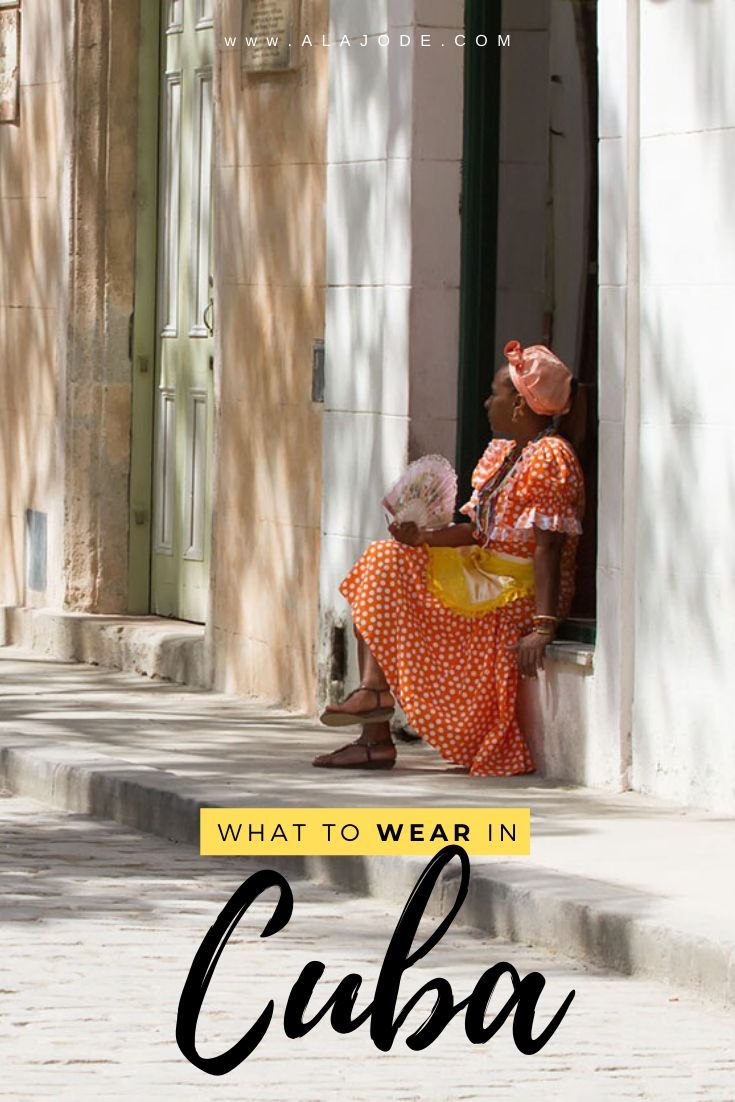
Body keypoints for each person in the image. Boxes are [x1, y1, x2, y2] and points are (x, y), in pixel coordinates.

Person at [312, 340, 585, 776]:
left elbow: (549, 550)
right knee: (385, 559)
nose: (486, 402)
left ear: (519, 404)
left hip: (516, 594)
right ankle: (374, 707)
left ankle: (375, 726)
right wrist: (421, 537)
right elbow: (476, 532)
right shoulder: (503, 453)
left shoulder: (551, 457)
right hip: (483, 574)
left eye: (495, 393)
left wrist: (543, 627)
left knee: (391, 577)